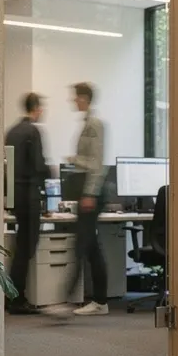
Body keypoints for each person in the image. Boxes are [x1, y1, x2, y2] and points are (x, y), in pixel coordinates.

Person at [63, 82, 109, 316]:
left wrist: (90, 193)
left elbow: (96, 163)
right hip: (86, 192)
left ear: (84, 98)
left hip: (91, 194)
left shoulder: (95, 124)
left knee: (82, 245)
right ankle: (100, 301)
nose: (73, 101)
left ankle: (66, 300)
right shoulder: (87, 123)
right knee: (91, 248)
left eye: (75, 98)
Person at [4, 92, 49, 315]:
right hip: (30, 196)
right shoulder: (33, 131)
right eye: (42, 108)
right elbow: (39, 166)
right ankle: (17, 299)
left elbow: (8, 167)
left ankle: (12, 295)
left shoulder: (11, 132)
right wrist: (52, 171)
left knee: (20, 248)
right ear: (36, 108)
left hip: (15, 197)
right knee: (26, 249)